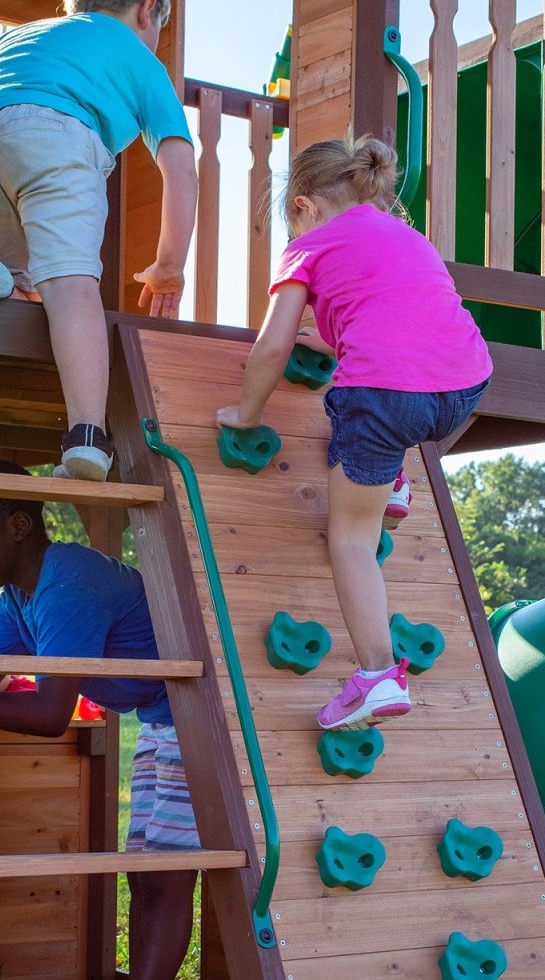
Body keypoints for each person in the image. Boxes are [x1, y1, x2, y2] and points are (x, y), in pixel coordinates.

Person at [216, 135, 493, 732]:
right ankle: (391, 481)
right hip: (467, 384)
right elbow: (405, 321)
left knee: (350, 538)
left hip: (385, 398)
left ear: (307, 206)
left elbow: (272, 348)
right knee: (394, 416)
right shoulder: (410, 239)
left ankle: (375, 675)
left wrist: (245, 413)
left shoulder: (309, 246)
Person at [0, 461, 196, 980]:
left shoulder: (67, 578)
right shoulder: (19, 599)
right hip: (163, 720)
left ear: (20, 527)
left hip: (199, 717)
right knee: (148, 876)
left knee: (169, 876)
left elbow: (51, 712)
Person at [0, 0, 199, 483]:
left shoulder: (22, 36)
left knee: (16, 285)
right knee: (70, 284)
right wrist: (168, 265)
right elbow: (179, 167)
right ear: (147, 10)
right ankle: (87, 437)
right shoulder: (137, 56)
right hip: (53, 134)